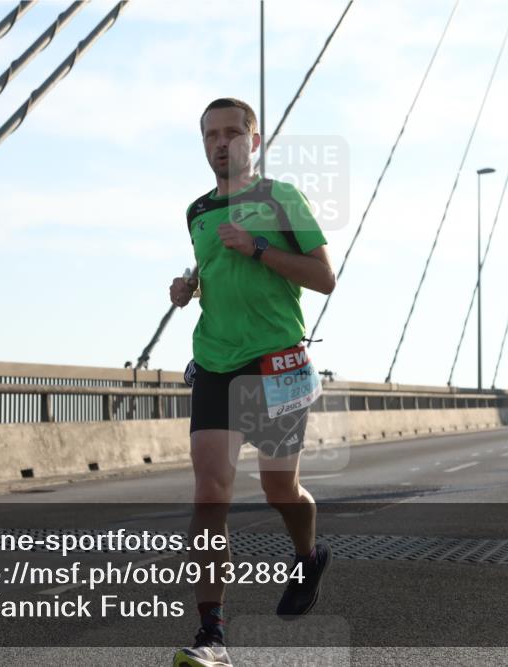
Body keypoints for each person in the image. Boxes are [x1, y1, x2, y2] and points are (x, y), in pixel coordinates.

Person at [169, 98, 336, 667]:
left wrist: (260, 248)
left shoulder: (280, 198)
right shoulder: (196, 212)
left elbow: (325, 278)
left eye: (233, 133)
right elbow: (214, 272)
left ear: (254, 141)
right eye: (211, 135)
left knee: (278, 490)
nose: (222, 143)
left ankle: (308, 554)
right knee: (211, 493)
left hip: (276, 362)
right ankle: (211, 633)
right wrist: (188, 287)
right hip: (215, 361)